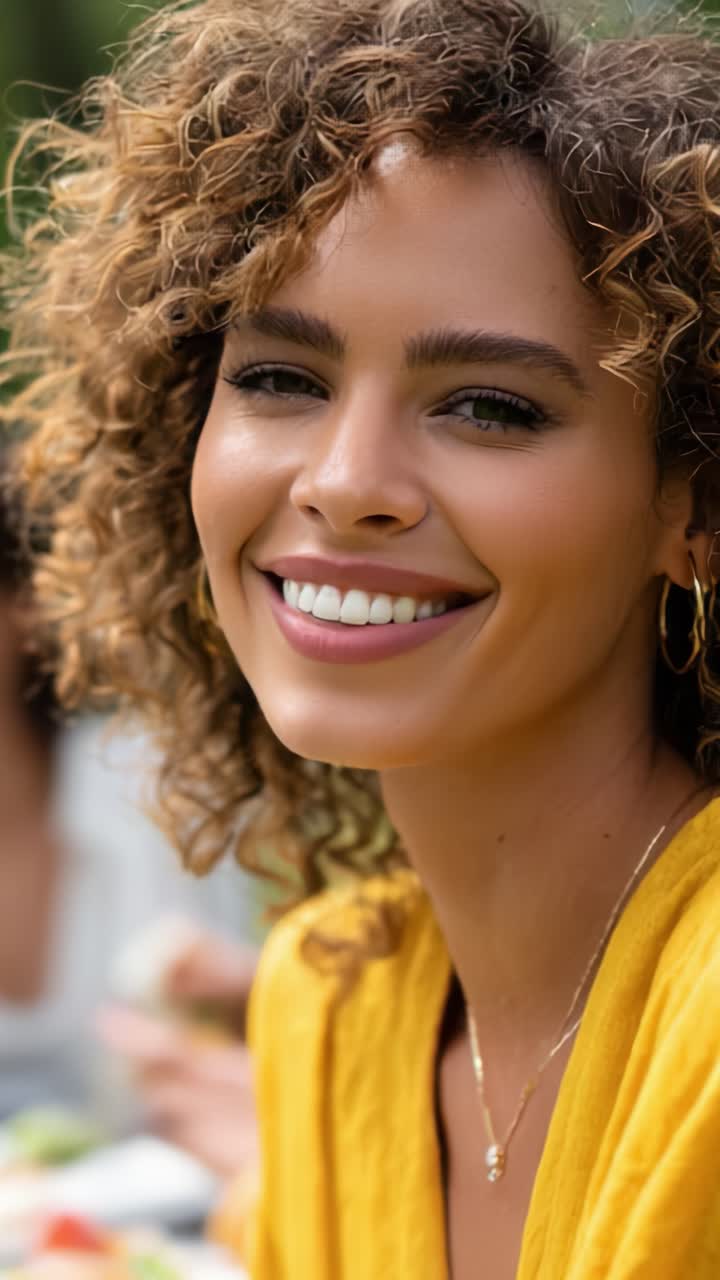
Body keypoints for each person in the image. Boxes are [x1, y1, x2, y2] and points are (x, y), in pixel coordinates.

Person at [4, 0, 720, 1274]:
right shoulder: (325, 1008)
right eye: (281, 378)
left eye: (491, 406)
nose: (344, 482)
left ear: (694, 509)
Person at [0, 464, 258, 1174]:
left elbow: (229, 1031)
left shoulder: (156, 783)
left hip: (169, 1207)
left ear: (26, 609)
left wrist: (255, 1001)